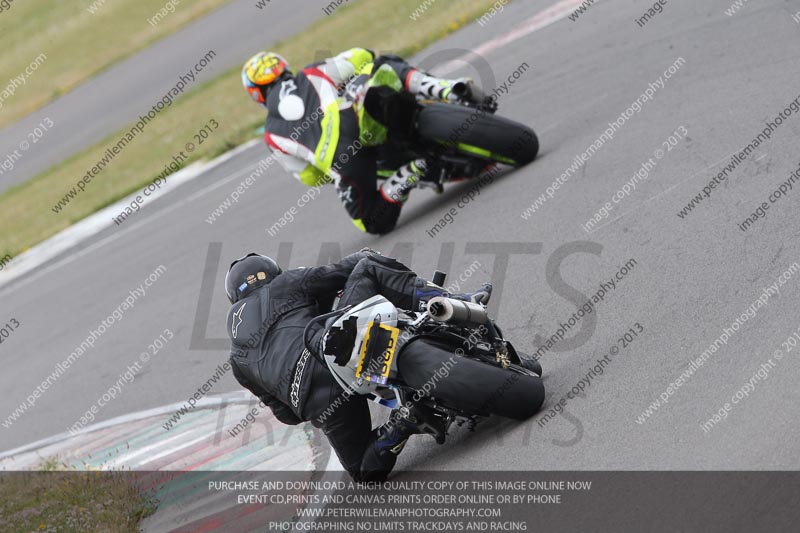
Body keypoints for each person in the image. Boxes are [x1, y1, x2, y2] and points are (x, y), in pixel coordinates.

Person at [224, 250, 544, 481]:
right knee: (369, 266)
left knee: (363, 469)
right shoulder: (285, 282)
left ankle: (402, 423)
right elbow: (349, 266)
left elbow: (287, 416)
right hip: (333, 345)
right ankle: (447, 301)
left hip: (315, 397)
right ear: (272, 273)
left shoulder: (237, 360)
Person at [241, 48, 489, 234]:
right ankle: (443, 88)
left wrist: (333, 167)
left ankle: (407, 175)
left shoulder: (271, 135)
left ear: (255, 94)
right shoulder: (312, 72)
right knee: (381, 64)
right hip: (353, 117)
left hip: (341, 158)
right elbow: (361, 55)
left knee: (371, 221)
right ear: (284, 68)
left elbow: (310, 177)